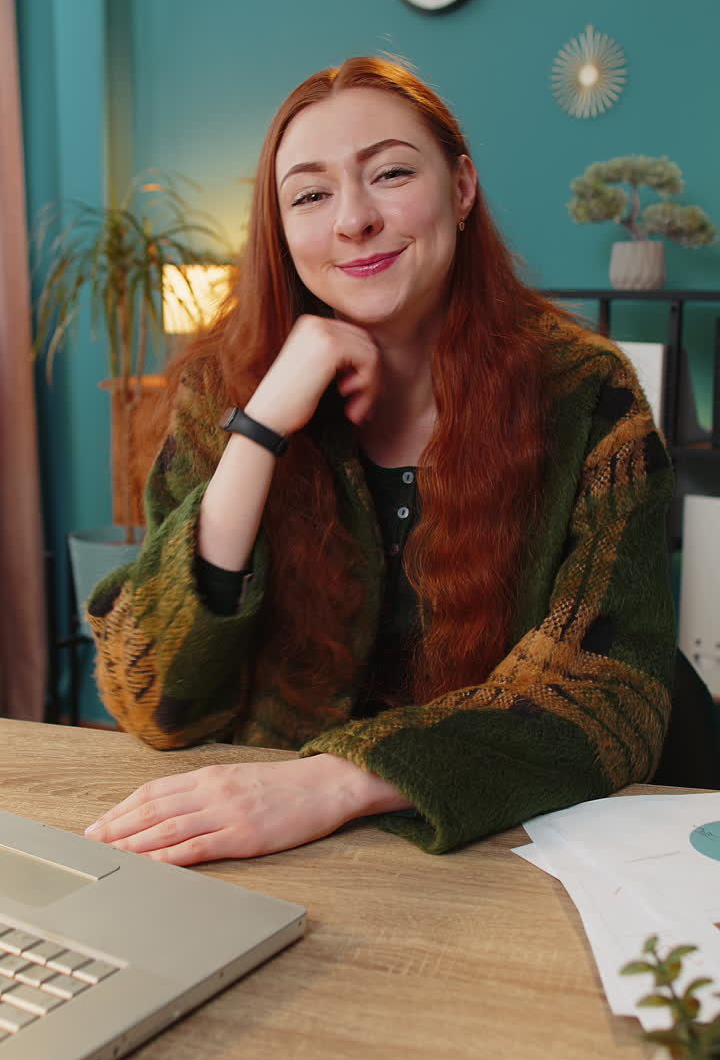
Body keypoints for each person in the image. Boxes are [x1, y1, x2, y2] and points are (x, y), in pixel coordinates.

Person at [84, 56, 677, 866]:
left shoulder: (585, 392)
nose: (353, 220)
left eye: (390, 173)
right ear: (280, 229)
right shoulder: (222, 387)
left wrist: (336, 782)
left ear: (461, 188)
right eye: (310, 195)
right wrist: (260, 429)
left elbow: (615, 693)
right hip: (263, 846)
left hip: (498, 849)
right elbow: (150, 696)